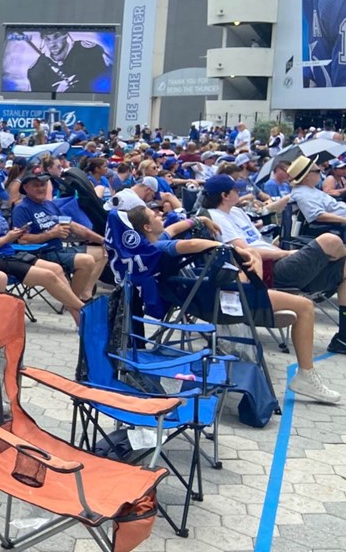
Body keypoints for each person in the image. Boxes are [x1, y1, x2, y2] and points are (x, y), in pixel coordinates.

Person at [128, 205, 340, 404]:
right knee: (304, 306)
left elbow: (175, 228)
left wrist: (200, 220)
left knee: (253, 259)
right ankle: (305, 374)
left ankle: (269, 302)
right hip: (225, 301)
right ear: (147, 227)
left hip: (199, 299)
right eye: (154, 215)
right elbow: (191, 244)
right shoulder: (158, 246)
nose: (160, 215)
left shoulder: (153, 243)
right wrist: (226, 246)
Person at [203, 173, 346, 356]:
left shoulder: (237, 212)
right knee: (330, 240)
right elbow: (244, 254)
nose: (240, 192)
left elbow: (260, 241)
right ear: (224, 195)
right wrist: (286, 253)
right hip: (269, 270)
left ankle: (342, 337)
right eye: (236, 189)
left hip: (279, 260)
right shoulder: (216, 217)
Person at [0, 176, 86, 323]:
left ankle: (78, 316)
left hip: (9, 253)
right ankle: (83, 309)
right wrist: (8, 238)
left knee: (56, 269)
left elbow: (3, 235)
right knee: (48, 276)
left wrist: (16, 233)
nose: (0, 201)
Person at [12, 168, 107, 300]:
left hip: (59, 250)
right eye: (36, 185)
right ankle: (74, 301)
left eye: (43, 184)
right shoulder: (22, 208)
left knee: (104, 252)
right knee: (87, 261)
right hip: (41, 254)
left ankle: (83, 294)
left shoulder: (49, 205)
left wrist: (103, 240)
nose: (41, 188)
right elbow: (22, 240)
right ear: (26, 188)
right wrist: (51, 234)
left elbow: (74, 226)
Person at [26, 30, 111, 93]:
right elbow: (40, 105)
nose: (52, 44)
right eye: (47, 39)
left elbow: (110, 84)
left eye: (56, 37)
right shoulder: (36, 70)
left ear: (66, 35)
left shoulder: (90, 52)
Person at [289, 155, 346, 233]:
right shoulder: (302, 194)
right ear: (307, 176)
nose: (321, 172)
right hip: (337, 227)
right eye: (317, 171)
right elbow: (318, 215)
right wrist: (343, 219)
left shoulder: (309, 189)